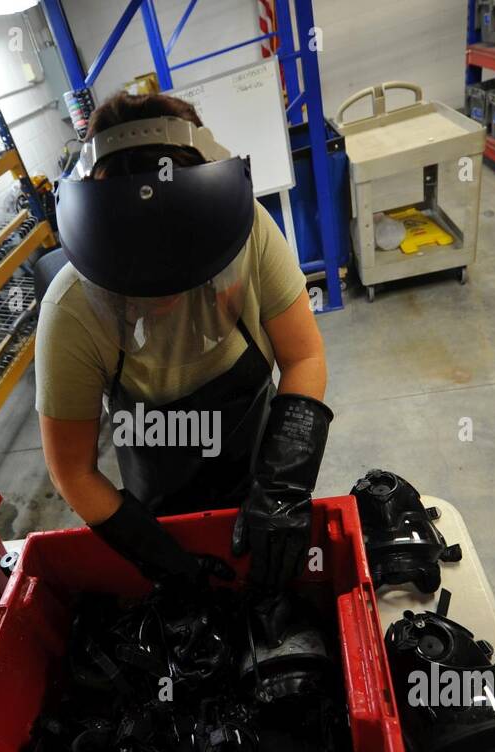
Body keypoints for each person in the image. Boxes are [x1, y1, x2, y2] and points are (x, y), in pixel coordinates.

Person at [35, 92, 332, 594]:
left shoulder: (247, 231)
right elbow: (72, 471)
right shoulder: (71, 311)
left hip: (262, 466)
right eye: (137, 271)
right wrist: (160, 557)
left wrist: (283, 486)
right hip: (159, 501)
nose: (162, 289)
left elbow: (304, 355)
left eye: (179, 263)